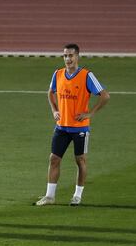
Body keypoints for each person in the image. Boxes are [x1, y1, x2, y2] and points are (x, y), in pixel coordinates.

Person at [35, 43, 110, 206]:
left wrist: (90, 113)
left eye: (71, 55)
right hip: (61, 127)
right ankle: (50, 196)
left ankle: (77, 195)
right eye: (65, 56)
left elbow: (105, 96)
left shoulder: (87, 76)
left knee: (80, 160)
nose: (68, 59)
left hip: (80, 129)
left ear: (77, 57)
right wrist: (54, 110)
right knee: (54, 159)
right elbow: (50, 93)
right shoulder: (58, 74)